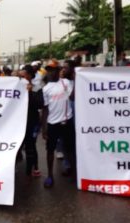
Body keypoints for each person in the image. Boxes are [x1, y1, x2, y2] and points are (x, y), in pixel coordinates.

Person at [41, 59, 75, 188]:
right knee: (50, 150)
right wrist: (44, 129)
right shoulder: (46, 89)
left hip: (67, 121)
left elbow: (72, 97)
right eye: (49, 70)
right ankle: (50, 176)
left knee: (69, 149)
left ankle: (72, 171)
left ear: (58, 70)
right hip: (53, 124)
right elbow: (44, 109)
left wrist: (75, 78)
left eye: (53, 70)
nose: (51, 72)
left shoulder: (66, 83)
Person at [18, 65, 43, 183]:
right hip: (20, 121)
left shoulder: (37, 88)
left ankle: (34, 168)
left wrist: (29, 92)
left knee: (31, 145)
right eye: (19, 76)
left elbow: (39, 104)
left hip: (32, 121)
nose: (20, 78)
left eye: (22, 76)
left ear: (29, 76)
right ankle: (27, 169)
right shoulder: (17, 87)